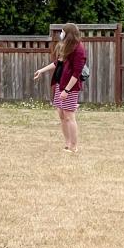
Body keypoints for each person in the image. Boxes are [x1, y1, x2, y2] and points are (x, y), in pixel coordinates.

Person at [34, 22, 87, 153]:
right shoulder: (66, 46)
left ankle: (74, 146)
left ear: (68, 33)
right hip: (60, 84)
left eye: (63, 32)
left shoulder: (79, 49)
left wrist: (67, 90)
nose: (61, 34)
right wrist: (42, 70)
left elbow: (76, 73)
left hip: (70, 87)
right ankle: (67, 144)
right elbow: (57, 63)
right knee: (61, 114)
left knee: (69, 115)